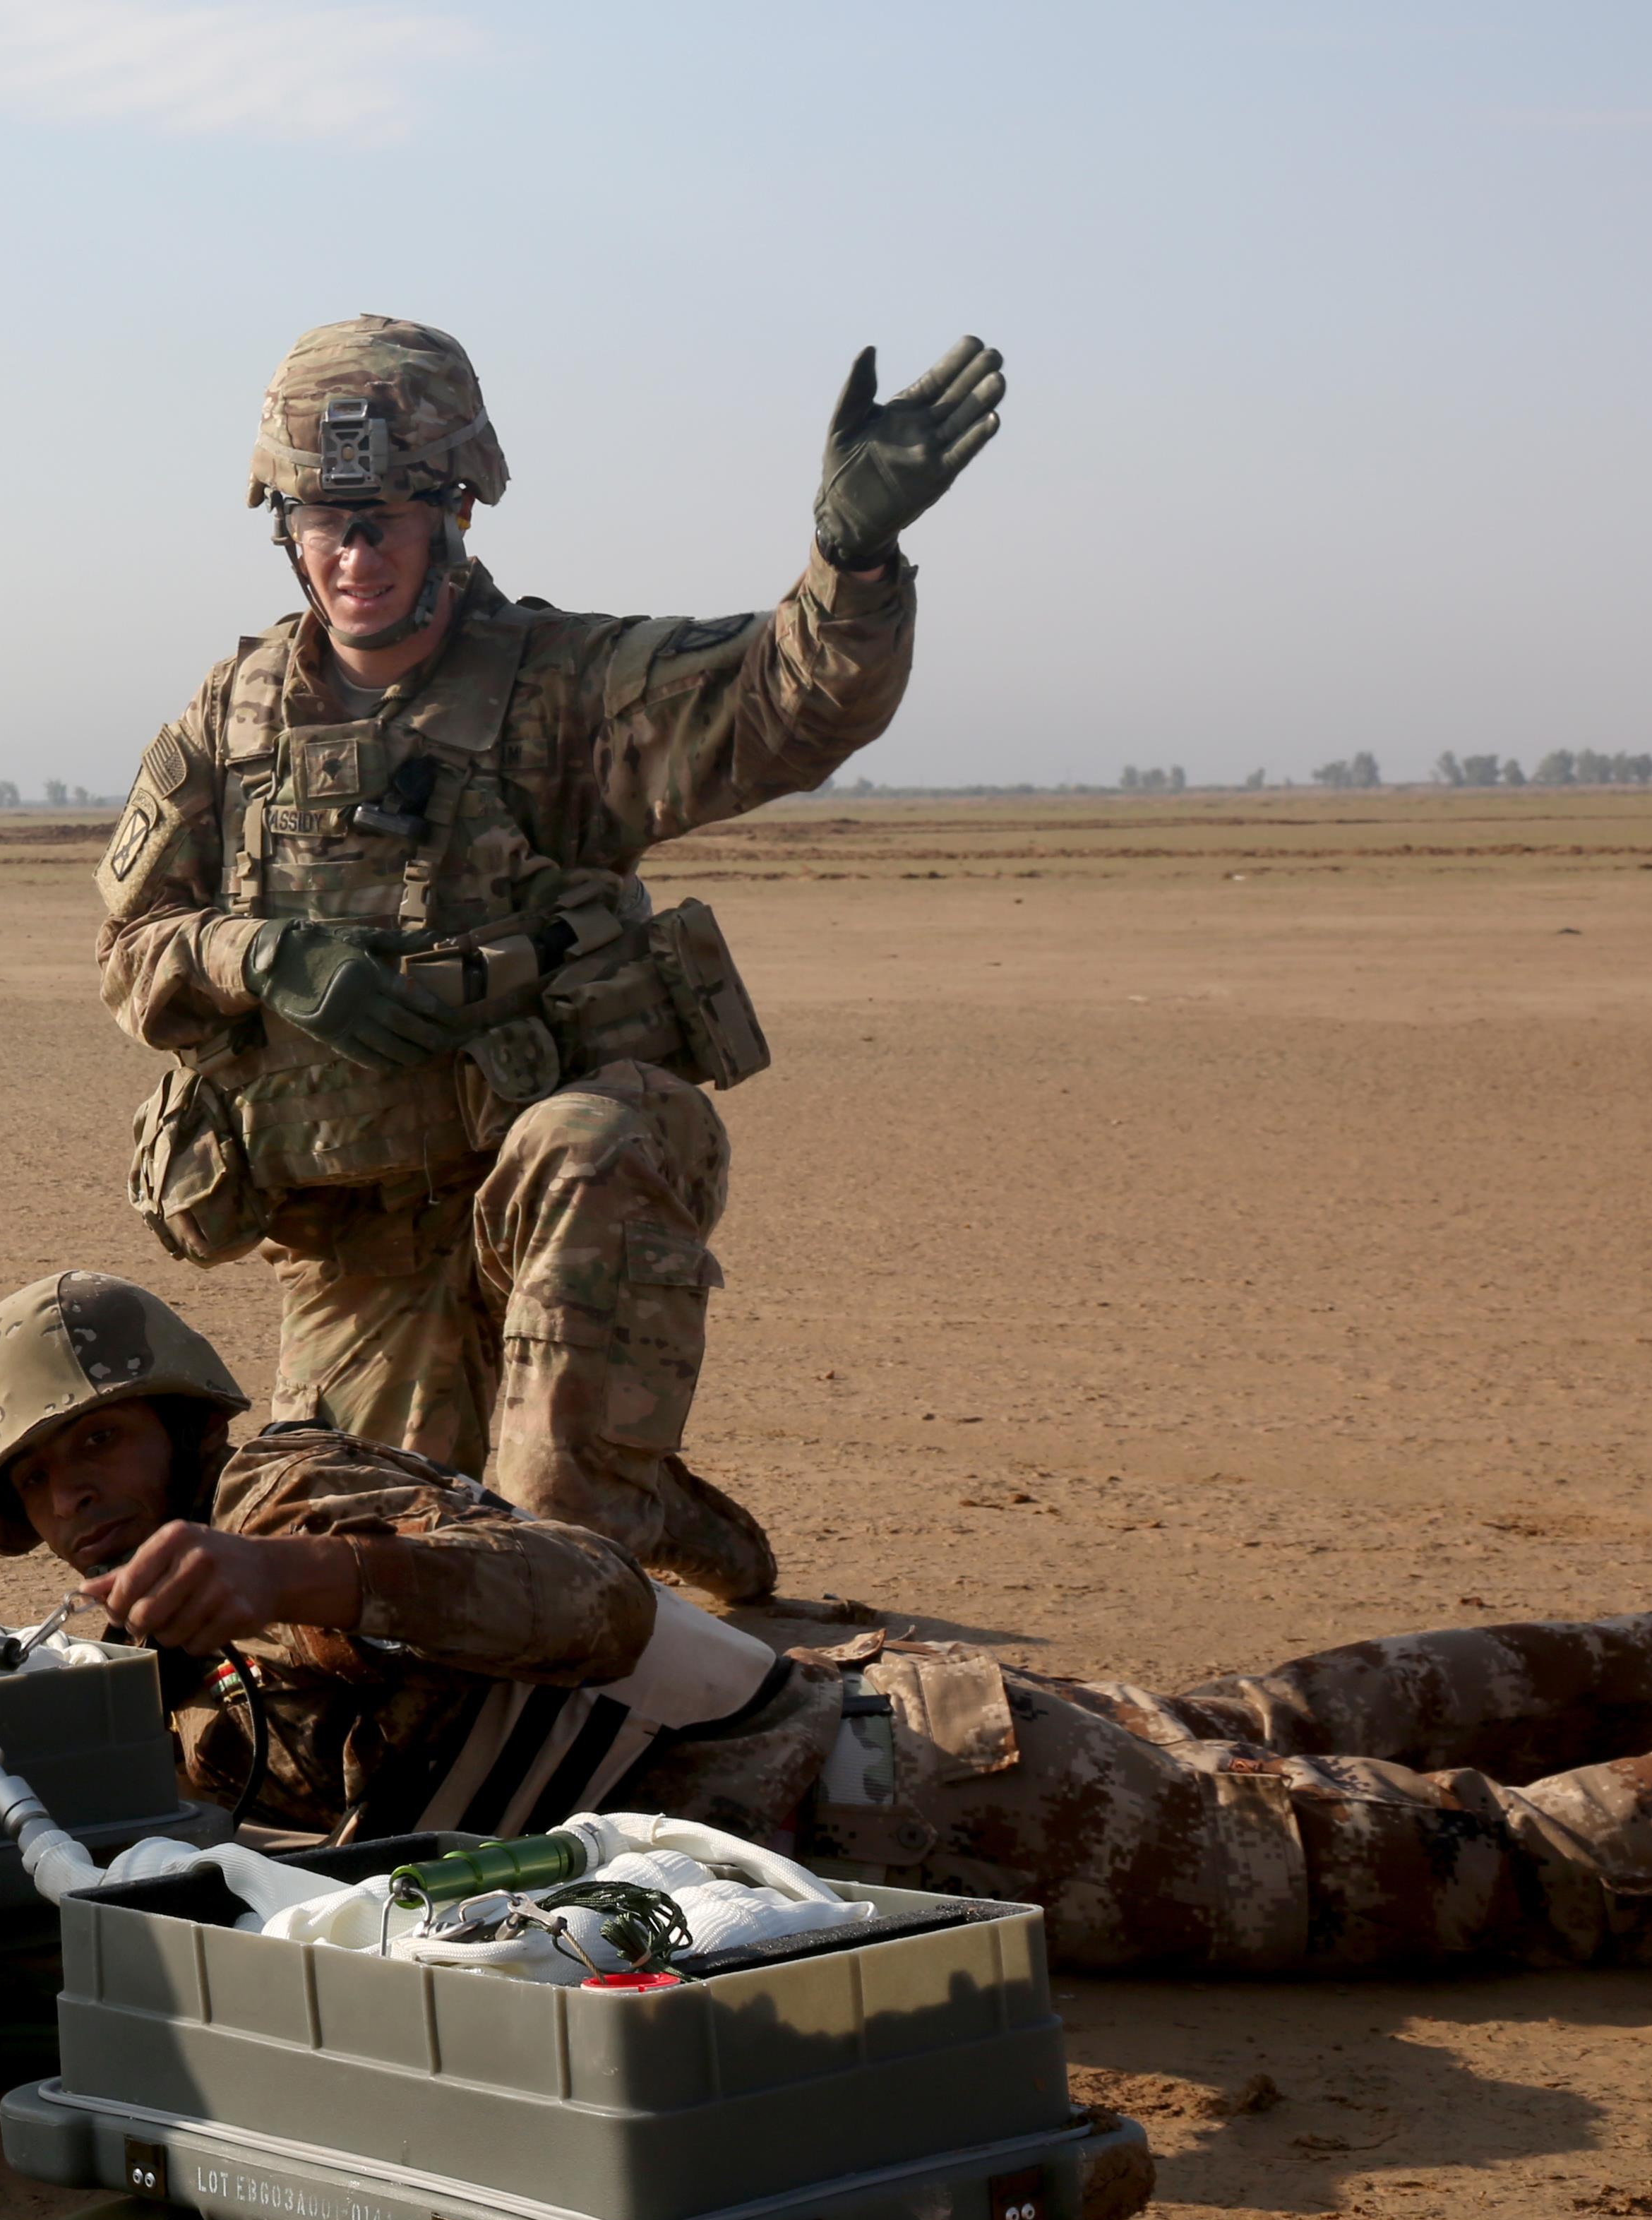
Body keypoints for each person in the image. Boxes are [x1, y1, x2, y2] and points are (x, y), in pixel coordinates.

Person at [0, 1273, 1652, 1972]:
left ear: (180, 1420)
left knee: (1501, 1872)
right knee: (1337, 1702)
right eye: (35, 1486)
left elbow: (582, 1593)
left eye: (96, 1442)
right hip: (903, 1725)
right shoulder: (167, 1675)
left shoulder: (293, 1503)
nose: (79, 1497)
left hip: (919, 1799)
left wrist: (313, 1580)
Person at [99, 316, 1005, 1603]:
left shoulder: (567, 689)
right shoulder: (230, 720)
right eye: (321, 519)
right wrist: (260, 955)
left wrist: (850, 559)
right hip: (357, 1253)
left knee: (530, 1566)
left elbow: (779, 701)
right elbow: (129, 953)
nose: (352, 555)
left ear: (457, 510)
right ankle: (639, 1496)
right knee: (358, 1586)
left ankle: (590, 1504)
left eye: (387, 518)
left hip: (545, 1190)